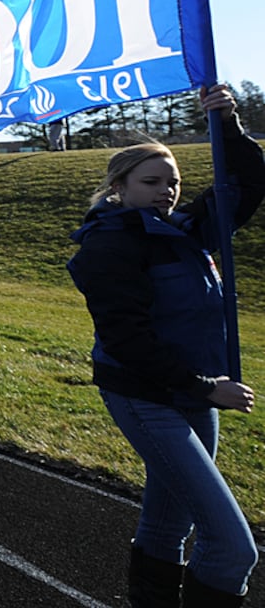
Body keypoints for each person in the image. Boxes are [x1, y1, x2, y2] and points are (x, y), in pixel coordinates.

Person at [68, 85, 261, 607]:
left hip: (194, 393)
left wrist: (226, 123)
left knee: (166, 524)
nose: (166, 191)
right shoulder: (109, 244)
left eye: (173, 182)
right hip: (146, 393)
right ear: (118, 186)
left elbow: (246, 184)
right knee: (231, 547)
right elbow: (128, 341)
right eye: (151, 181)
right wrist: (207, 388)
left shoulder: (187, 231)